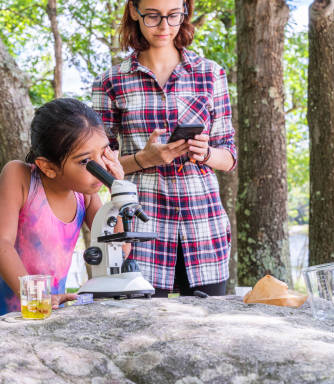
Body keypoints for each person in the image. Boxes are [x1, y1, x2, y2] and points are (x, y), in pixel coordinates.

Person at [91, 0, 237, 297]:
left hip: (203, 229)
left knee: (208, 334)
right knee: (140, 331)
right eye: (153, 16)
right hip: (141, 229)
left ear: (185, 11)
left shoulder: (210, 74)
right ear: (134, 11)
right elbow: (99, 164)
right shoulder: (110, 82)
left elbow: (229, 157)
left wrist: (205, 153)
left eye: (173, 16)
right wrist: (144, 159)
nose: (164, 27)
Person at [0, 98, 124, 321]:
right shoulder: (20, 177)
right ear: (48, 167)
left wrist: (119, 193)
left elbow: (117, 247)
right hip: (9, 315)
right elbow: (0, 244)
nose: (101, 167)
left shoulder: (85, 194)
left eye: (105, 152)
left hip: (52, 314)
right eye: (86, 161)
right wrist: (37, 299)